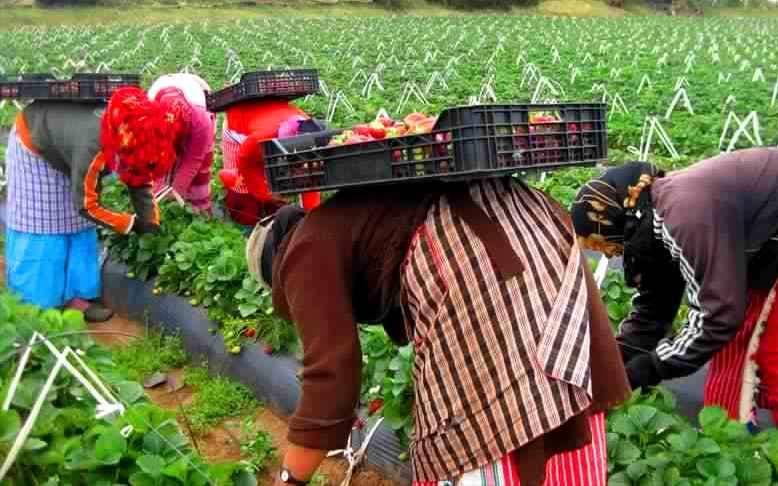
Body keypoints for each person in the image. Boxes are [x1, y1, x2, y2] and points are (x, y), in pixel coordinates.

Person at [247, 177, 630, 485]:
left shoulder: (302, 253)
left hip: (472, 254)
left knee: (485, 421)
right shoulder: (340, 220)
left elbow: (331, 375)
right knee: (553, 394)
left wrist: (291, 478)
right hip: (530, 221)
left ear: (275, 272)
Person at [569, 149, 778, 447]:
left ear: (621, 220)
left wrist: (649, 368)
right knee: (737, 351)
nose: (616, 254)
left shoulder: (682, 212)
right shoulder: (653, 222)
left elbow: (718, 317)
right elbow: (655, 307)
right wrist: (616, 361)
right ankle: (735, 442)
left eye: (611, 245)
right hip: (771, 248)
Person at [4, 87, 181, 322]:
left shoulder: (132, 133)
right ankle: (37, 309)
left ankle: (75, 300)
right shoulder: (94, 146)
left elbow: (138, 173)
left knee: (77, 227)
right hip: (35, 144)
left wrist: (150, 221)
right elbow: (86, 205)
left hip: (68, 146)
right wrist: (130, 224)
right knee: (43, 230)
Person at [219, 98, 322, 226]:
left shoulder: (311, 131)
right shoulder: (261, 138)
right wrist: (266, 194)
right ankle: (244, 221)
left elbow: (311, 181)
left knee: (279, 180)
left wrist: (311, 218)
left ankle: (274, 213)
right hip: (239, 125)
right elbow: (246, 163)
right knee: (242, 186)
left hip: (267, 119)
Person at [147, 73, 216, 214]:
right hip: (164, 101)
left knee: (199, 178)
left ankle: (202, 210)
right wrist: (158, 192)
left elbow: (194, 159)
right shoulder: (147, 117)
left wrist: (177, 190)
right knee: (161, 179)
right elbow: (155, 160)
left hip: (199, 96)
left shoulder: (201, 119)